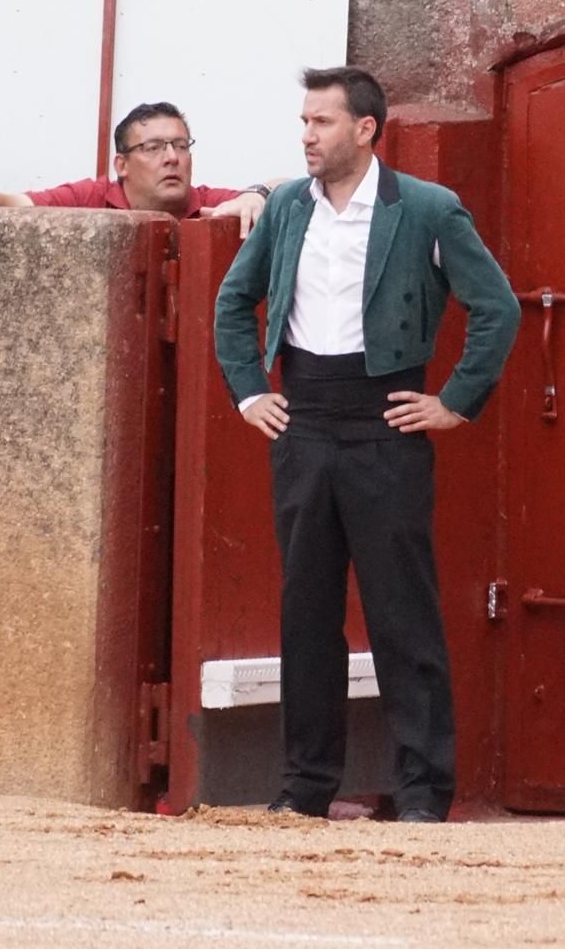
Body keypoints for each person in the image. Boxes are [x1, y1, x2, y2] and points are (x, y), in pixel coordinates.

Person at [214, 66, 520, 823]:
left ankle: (423, 793)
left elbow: (497, 307)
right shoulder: (288, 206)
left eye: (321, 122)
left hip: (386, 420)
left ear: (365, 129)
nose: (307, 136)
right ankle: (305, 785)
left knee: (401, 612)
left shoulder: (427, 208)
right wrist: (251, 391)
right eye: (304, 122)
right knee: (306, 612)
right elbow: (234, 300)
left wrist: (454, 403)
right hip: (305, 418)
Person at [0, 101, 274, 237]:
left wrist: (259, 194)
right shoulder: (92, 196)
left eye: (180, 145)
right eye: (153, 148)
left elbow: (294, 186)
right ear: (122, 165)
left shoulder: (208, 202)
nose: (171, 157)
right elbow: (10, 202)